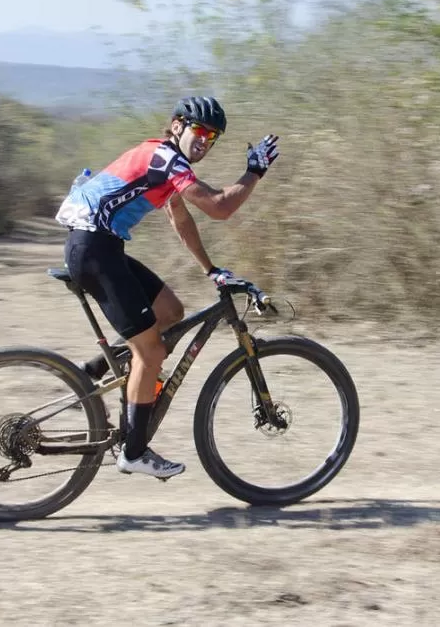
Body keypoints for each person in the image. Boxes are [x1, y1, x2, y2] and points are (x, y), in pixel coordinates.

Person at [54, 96, 280, 479]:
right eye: (201, 130)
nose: (205, 141)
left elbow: (180, 216)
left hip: (101, 246)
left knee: (170, 312)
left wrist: (211, 270)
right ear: (177, 125)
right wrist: (254, 172)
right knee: (152, 350)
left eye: (213, 137)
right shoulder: (165, 158)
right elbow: (219, 207)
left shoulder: (162, 162)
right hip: (94, 250)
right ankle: (135, 450)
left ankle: (92, 373)